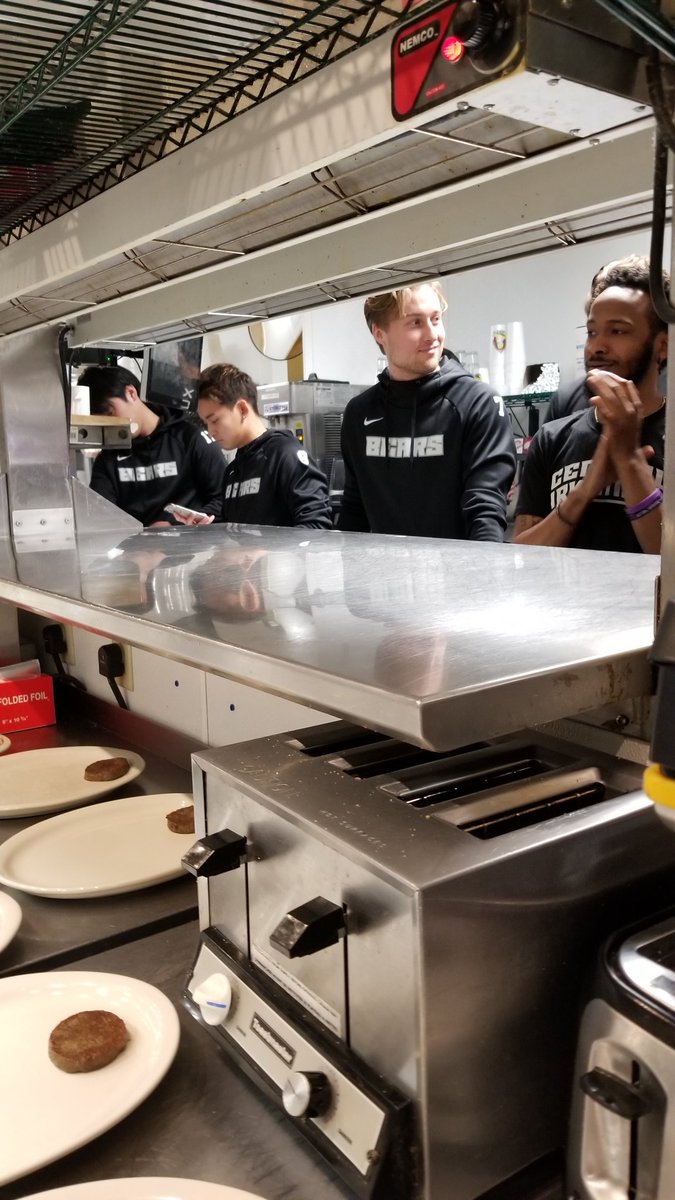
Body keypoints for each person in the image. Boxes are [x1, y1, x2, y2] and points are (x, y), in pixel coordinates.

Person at [337, 280, 517, 540]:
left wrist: (485, 579)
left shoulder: (478, 403)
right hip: (382, 577)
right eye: (415, 322)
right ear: (380, 333)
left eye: (435, 319)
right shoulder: (359, 413)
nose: (432, 334)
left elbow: (485, 512)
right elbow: (355, 512)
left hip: (462, 577)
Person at [514, 255, 668, 554]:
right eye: (592, 332)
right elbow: (521, 558)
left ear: (662, 346)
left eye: (618, 331)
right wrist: (584, 491)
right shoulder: (552, 438)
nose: (597, 346)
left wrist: (630, 462)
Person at [80, 365, 225, 527]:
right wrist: (141, 538)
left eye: (110, 413)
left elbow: (223, 498)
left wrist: (176, 527)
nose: (111, 423)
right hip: (135, 549)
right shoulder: (108, 459)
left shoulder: (191, 439)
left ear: (131, 393)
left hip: (191, 547)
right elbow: (100, 520)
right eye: (102, 420)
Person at [194, 363, 333, 529]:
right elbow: (232, 530)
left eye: (214, 420)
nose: (210, 431)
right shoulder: (232, 471)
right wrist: (206, 525)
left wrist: (266, 552)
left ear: (242, 409)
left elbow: (317, 528)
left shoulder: (286, 455)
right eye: (206, 423)